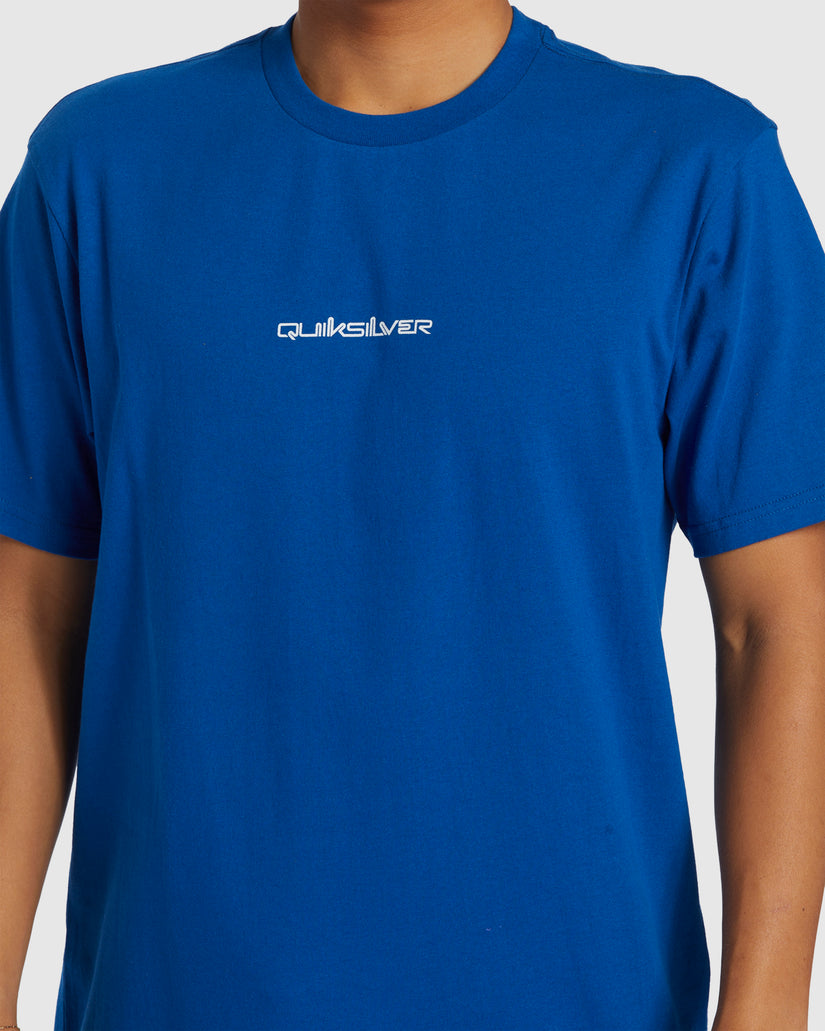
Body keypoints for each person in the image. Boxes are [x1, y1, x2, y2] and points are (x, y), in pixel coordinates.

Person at [1, 0, 824, 1028]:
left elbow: (778, 621)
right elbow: (27, 612)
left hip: (574, 996)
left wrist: (766, 1008)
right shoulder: (97, 167)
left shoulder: (697, 168)